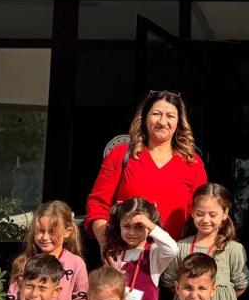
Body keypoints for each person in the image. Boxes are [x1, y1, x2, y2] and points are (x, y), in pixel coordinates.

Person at [86, 90, 209, 252]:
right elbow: (98, 204)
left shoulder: (192, 164)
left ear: (179, 122)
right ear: (144, 118)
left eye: (170, 116)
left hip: (174, 258)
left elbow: (202, 212)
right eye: (156, 114)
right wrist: (107, 245)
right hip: (127, 256)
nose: (162, 122)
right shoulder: (121, 154)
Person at [162, 183, 249, 300]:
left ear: (225, 214)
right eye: (199, 214)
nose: (205, 220)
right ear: (192, 212)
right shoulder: (181, 247)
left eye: (212, 215)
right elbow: (170, 280)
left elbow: (241, 283)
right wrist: (190, 296)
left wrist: (223, 298)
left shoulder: (233, 249)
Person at [4, 200, 90, 300]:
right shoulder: (24, 262)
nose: (45, 237)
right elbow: (12, 298)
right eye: (40, 231)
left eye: (52, 232)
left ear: (67, 232)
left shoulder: (76, 264)